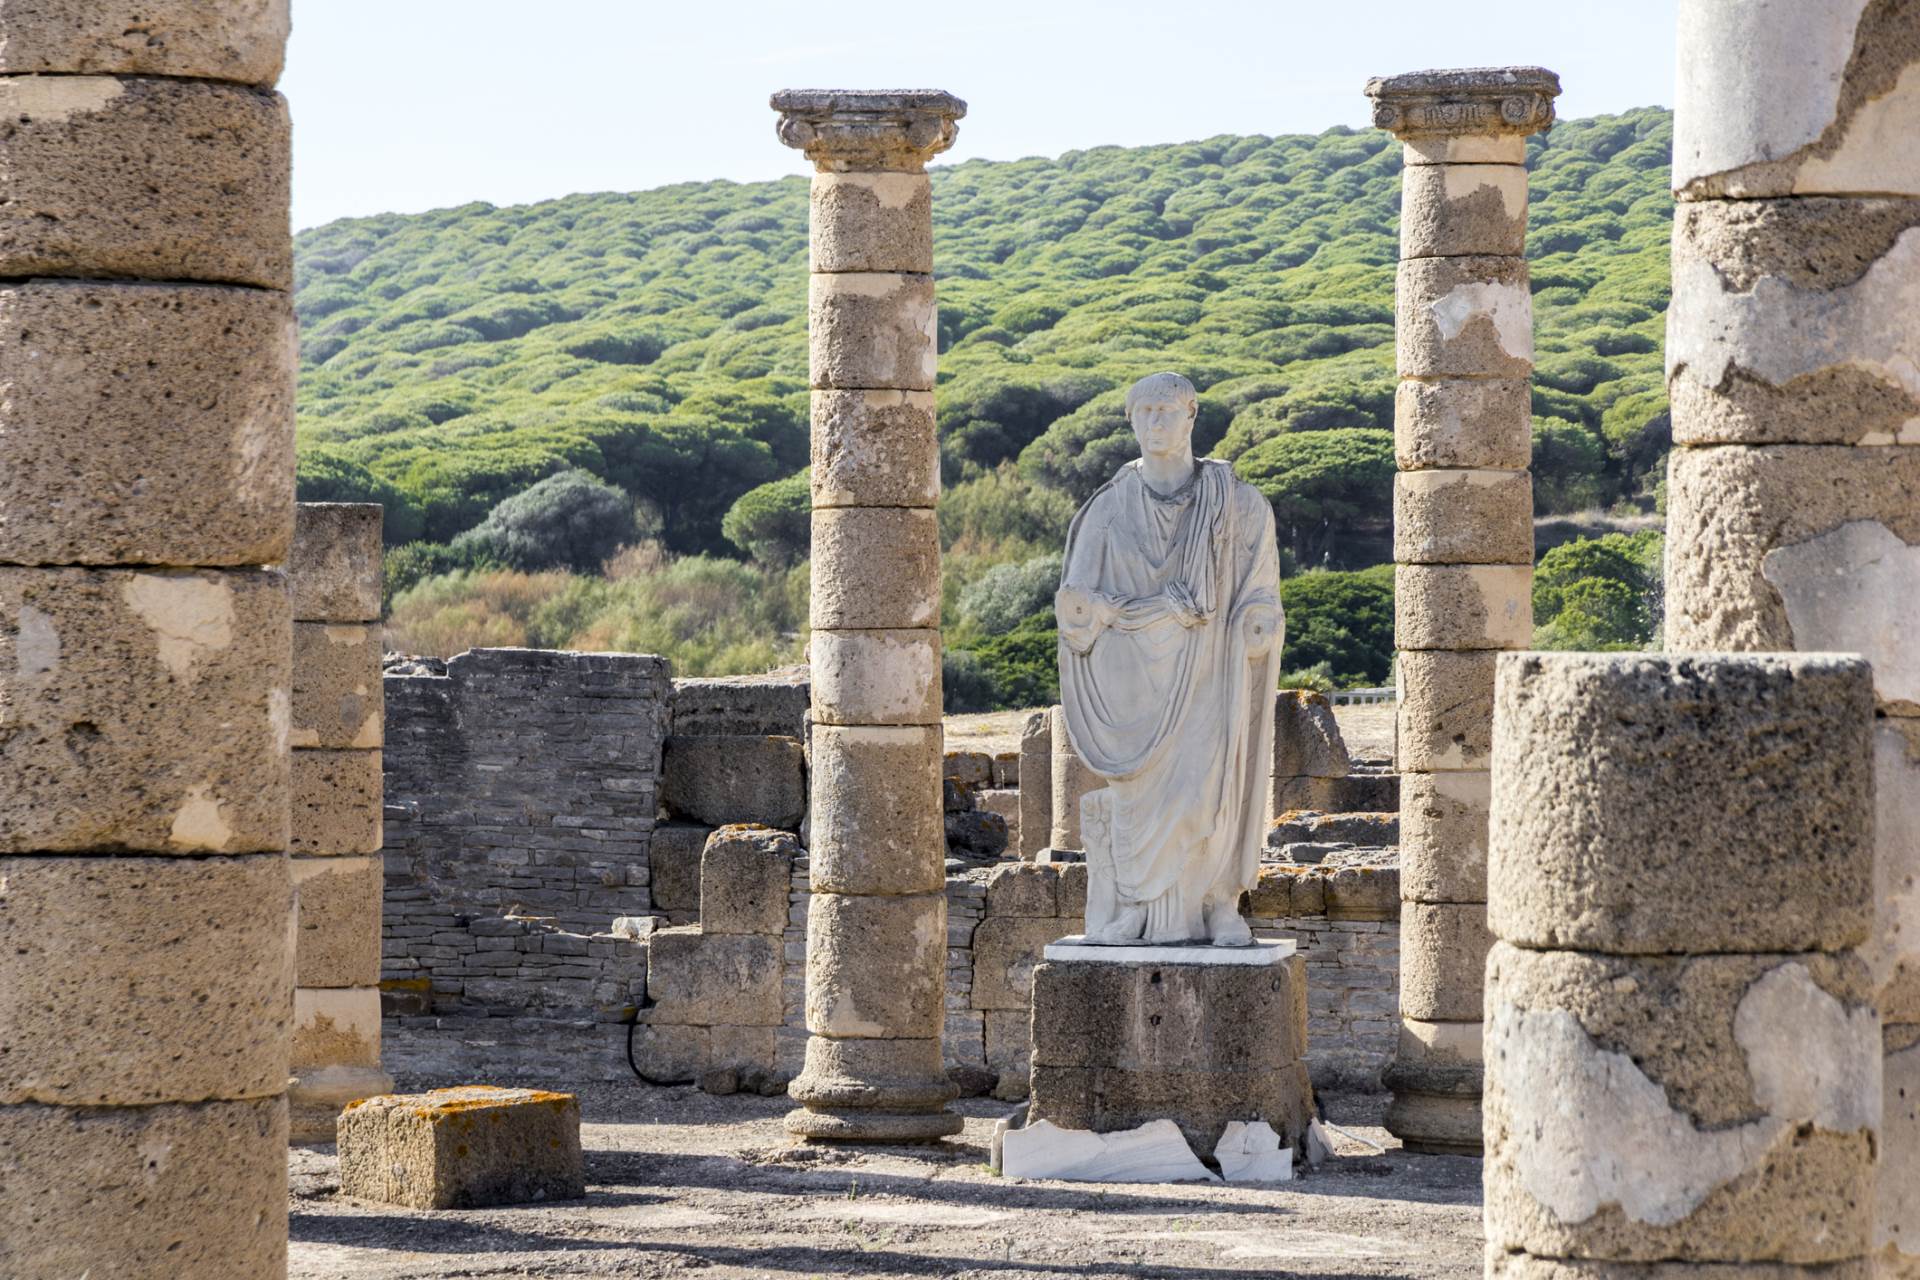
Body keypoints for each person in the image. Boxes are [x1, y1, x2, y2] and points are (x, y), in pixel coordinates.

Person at [1055, 372, 1282, 945]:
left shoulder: (1238, 503)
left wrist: (1258, 621)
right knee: (1135, 794)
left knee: (1211, 787)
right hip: (1133, 680)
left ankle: (1218, 903)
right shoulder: (1106, 509)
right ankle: (1135, 906)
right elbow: (1075, 603)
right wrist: (1122, 611)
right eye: (1145, 412)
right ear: (1130, 422)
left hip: (1211, 668)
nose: (1156, 422)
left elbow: (1260, 587)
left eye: (1167, 410)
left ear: (1191, 416)